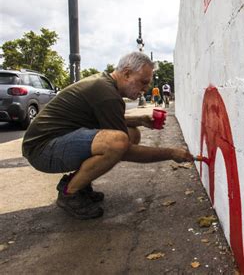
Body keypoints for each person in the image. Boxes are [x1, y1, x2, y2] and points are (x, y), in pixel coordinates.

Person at [22, 51, 194, 220]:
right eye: (143, 82)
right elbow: (124, 150)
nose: (146, 88)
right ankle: (70, 193)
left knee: (131, 134)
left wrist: (140, 119)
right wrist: (171, 153)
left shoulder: (104, 84)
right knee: (117, 143)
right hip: (42, 150)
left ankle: (78, 183)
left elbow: (106, 120)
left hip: (54, 142)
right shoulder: (107, 94)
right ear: (127, 73)